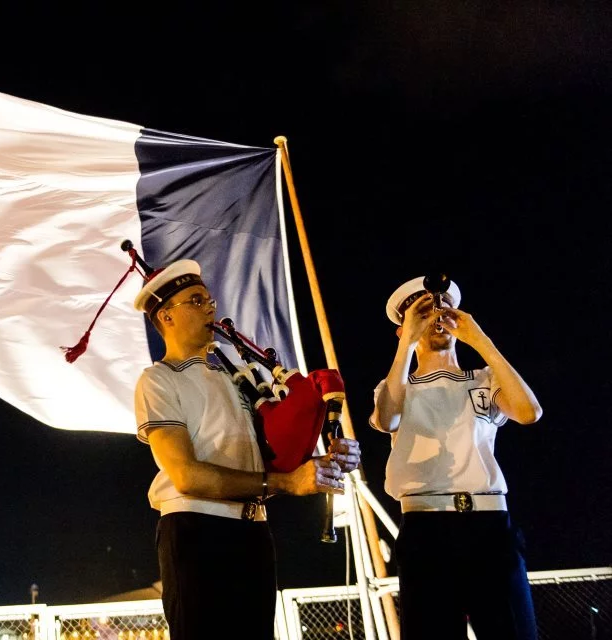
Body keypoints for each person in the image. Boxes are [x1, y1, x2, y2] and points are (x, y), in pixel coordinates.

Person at [132, 258, 361, 640]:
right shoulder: (157, 381)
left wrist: (321, 464)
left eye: (209, 300)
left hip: (253, 531)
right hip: (196, 532)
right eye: (195, 300)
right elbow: (187, 476)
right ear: (166, 317)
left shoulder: (238, 376)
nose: (211, 307)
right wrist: (287, 483)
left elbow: (273, 454)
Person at [369, 276, 543, 640]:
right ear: (402, 329)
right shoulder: (394, 386)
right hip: (426, 529)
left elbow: (529, 412)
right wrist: (408, 343)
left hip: (490, 526)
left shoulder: (483, 379)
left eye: (440, 308)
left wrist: (479, 340)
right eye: (422, 312)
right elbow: (387, 418)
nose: (435, 317)